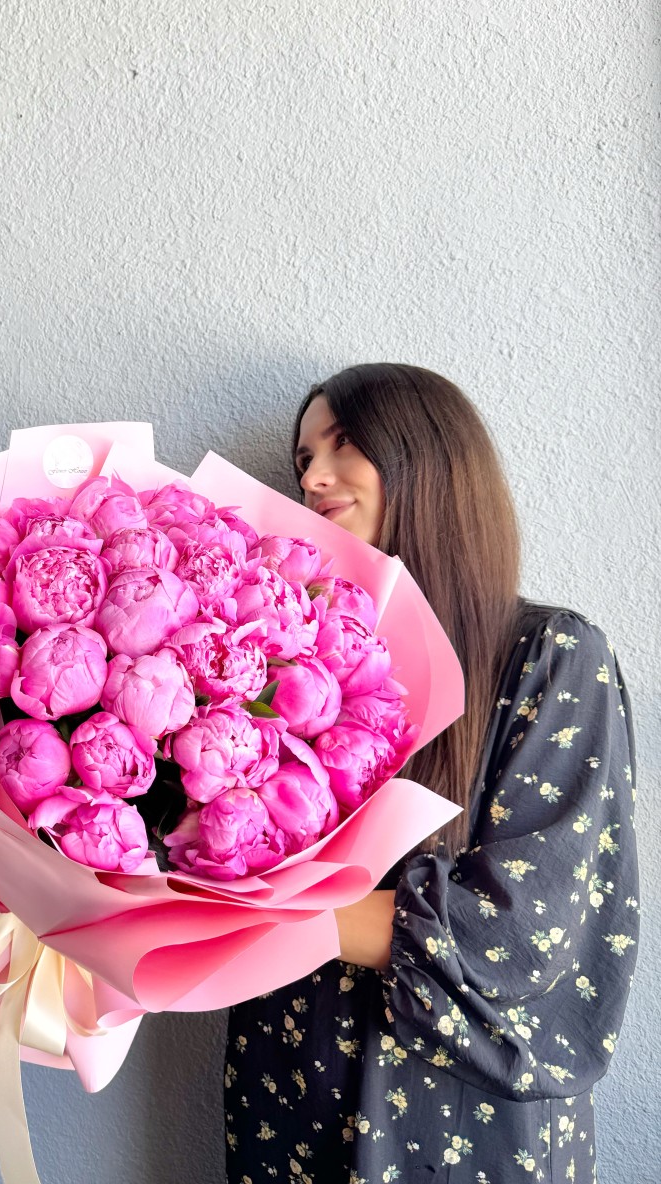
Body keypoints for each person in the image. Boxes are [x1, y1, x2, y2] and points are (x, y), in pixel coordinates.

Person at [225, 363, 638, 1184]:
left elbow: (518, 930)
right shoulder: (288, 669)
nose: (312, 478)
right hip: (288, 1094)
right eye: (303, 458)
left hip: (455, 1124)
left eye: (343, 444)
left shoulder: (551, 656)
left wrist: (249, 915)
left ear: (430, 459)